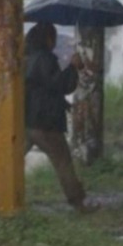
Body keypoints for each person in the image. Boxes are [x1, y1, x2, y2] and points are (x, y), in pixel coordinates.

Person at [24, 22, 100, 213]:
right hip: (46, 123)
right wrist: (73, 67)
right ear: (48, 39)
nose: (55, 42)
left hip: (29, 121)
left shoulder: (30, 57)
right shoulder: (45, 59)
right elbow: (60, 85)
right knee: (63, 162)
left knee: (13, 159)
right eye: (53, 37)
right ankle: (79, 203)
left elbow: (43, 88)